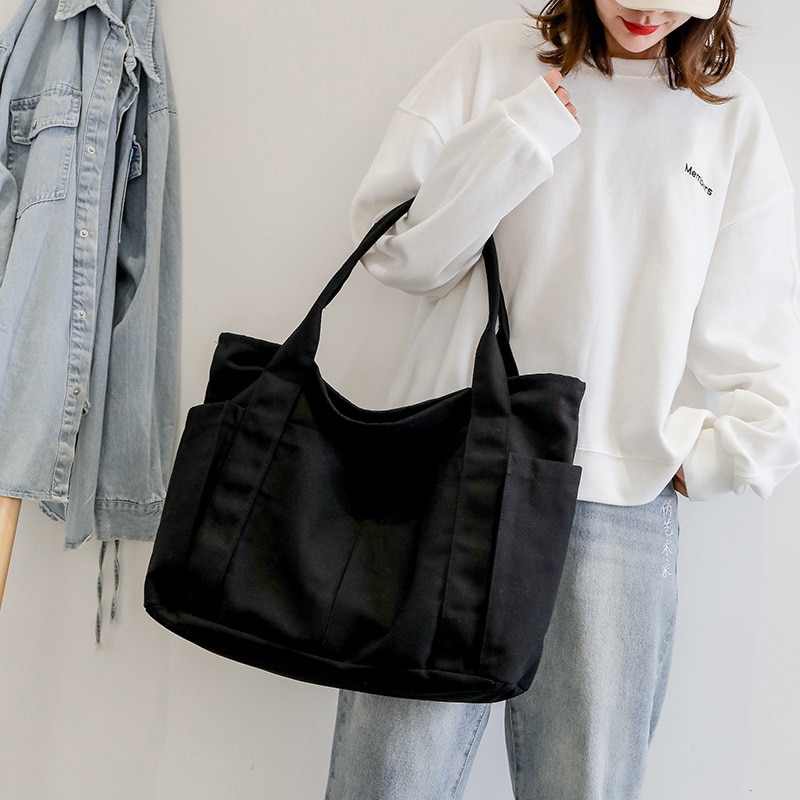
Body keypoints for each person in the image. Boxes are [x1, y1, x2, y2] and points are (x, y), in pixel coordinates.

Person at [324, 1, 800, 798]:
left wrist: (719, 457)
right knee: (388, 782)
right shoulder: (493, 63)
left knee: (585, 787)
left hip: (615, 503)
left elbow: (762, 324)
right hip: (450, 476)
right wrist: (521, 133)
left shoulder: (729, 115)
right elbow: (400, 253)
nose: (646, 8)